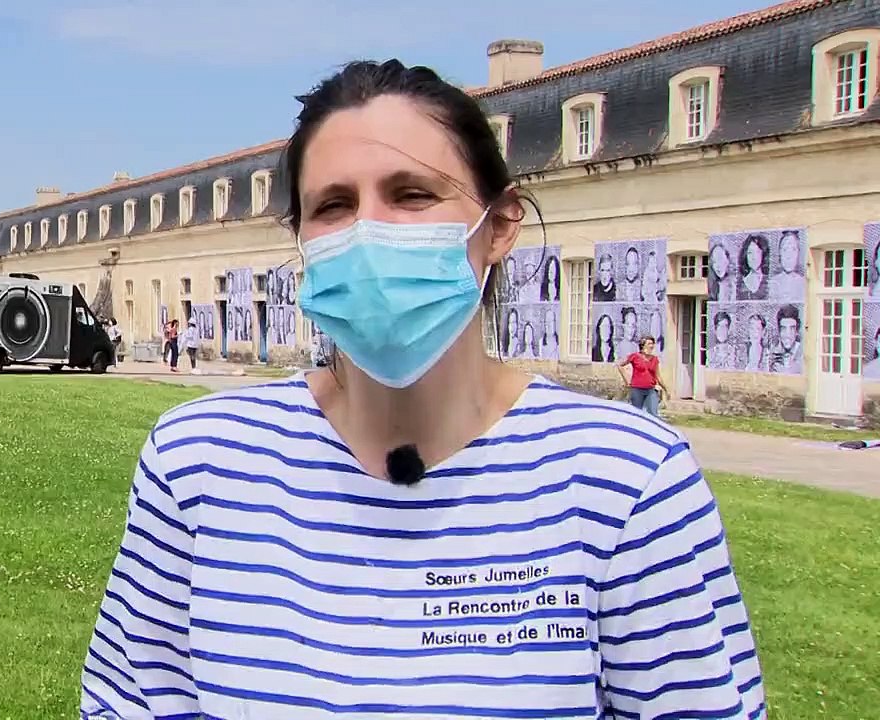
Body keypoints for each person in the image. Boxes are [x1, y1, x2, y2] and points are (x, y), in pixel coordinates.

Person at [79, 59, 765, 718]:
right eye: (334, 205)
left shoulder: (629, 481)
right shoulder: (200, 462)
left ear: (497, 227)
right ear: (303, 240)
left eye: (411, 195)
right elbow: (129, 704)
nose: (369, 231)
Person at [619, 335, 668, 417]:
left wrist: (665, 389)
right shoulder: (635, 356)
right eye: (649, 344)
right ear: (643, 345)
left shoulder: (655, 359)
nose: (651, 346)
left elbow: (658, 376)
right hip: (637, 389)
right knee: (637, 412)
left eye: (652, 344)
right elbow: (620, 365)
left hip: (651, 389)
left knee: (653, 413)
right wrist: (627, 380)